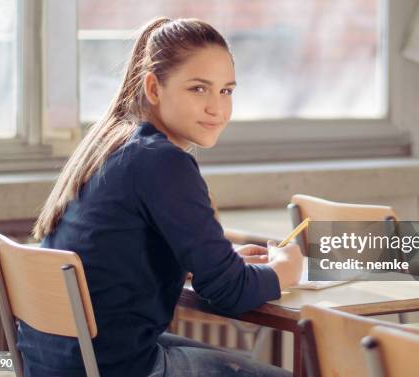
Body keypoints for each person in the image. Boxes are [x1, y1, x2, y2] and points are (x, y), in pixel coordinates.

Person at [29, 17, 303, 377]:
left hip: (57, 362)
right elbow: (228, 290)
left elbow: (121, 252)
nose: (217, 109)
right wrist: (285, 269)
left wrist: (219, 258)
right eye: (198, 89)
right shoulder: (162, 161)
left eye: (226, 91)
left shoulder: (112, 143)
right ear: (154, 89)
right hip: (113, 367)